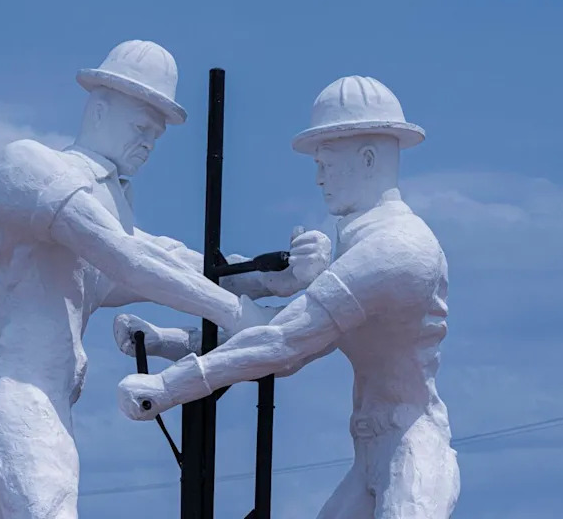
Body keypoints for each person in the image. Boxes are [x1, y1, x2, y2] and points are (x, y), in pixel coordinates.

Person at [0, 39, 331, 519]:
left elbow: (172, 260)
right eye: (139, 127)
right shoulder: (29, 167)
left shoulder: (97, 230)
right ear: (98, 109)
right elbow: (128, 257)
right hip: (16, 397)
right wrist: (244, 316)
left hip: (47, 401)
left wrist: (273, 277)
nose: (149, 144)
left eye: (156, 134)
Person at [116, 76, 460, 519]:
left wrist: (168, 388)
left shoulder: (396, 250)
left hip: (414, 453)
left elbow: (283, 343)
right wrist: (166, 341)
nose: (318, 179)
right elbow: (282, 335)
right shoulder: (360, 247)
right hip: (372, 452)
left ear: (369, 158)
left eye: (326, 164)